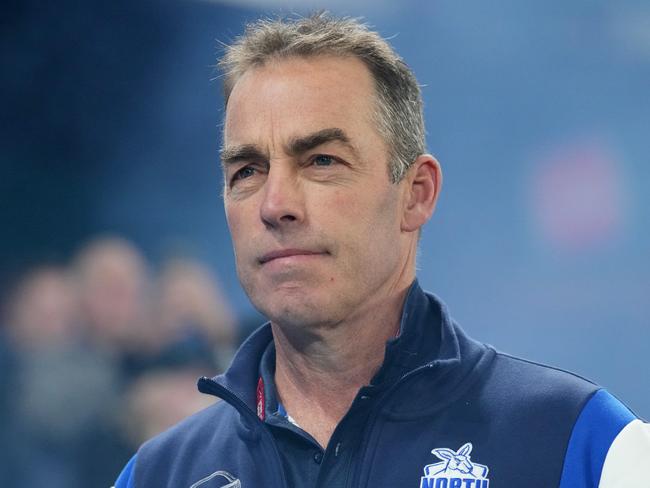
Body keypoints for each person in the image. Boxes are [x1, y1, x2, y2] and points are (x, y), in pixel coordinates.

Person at [114, 13, 649, 488]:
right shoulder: (157, 475)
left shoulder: (581, 446)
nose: (275, 204)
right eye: (248, 171)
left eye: (321, 160)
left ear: (416, 195)